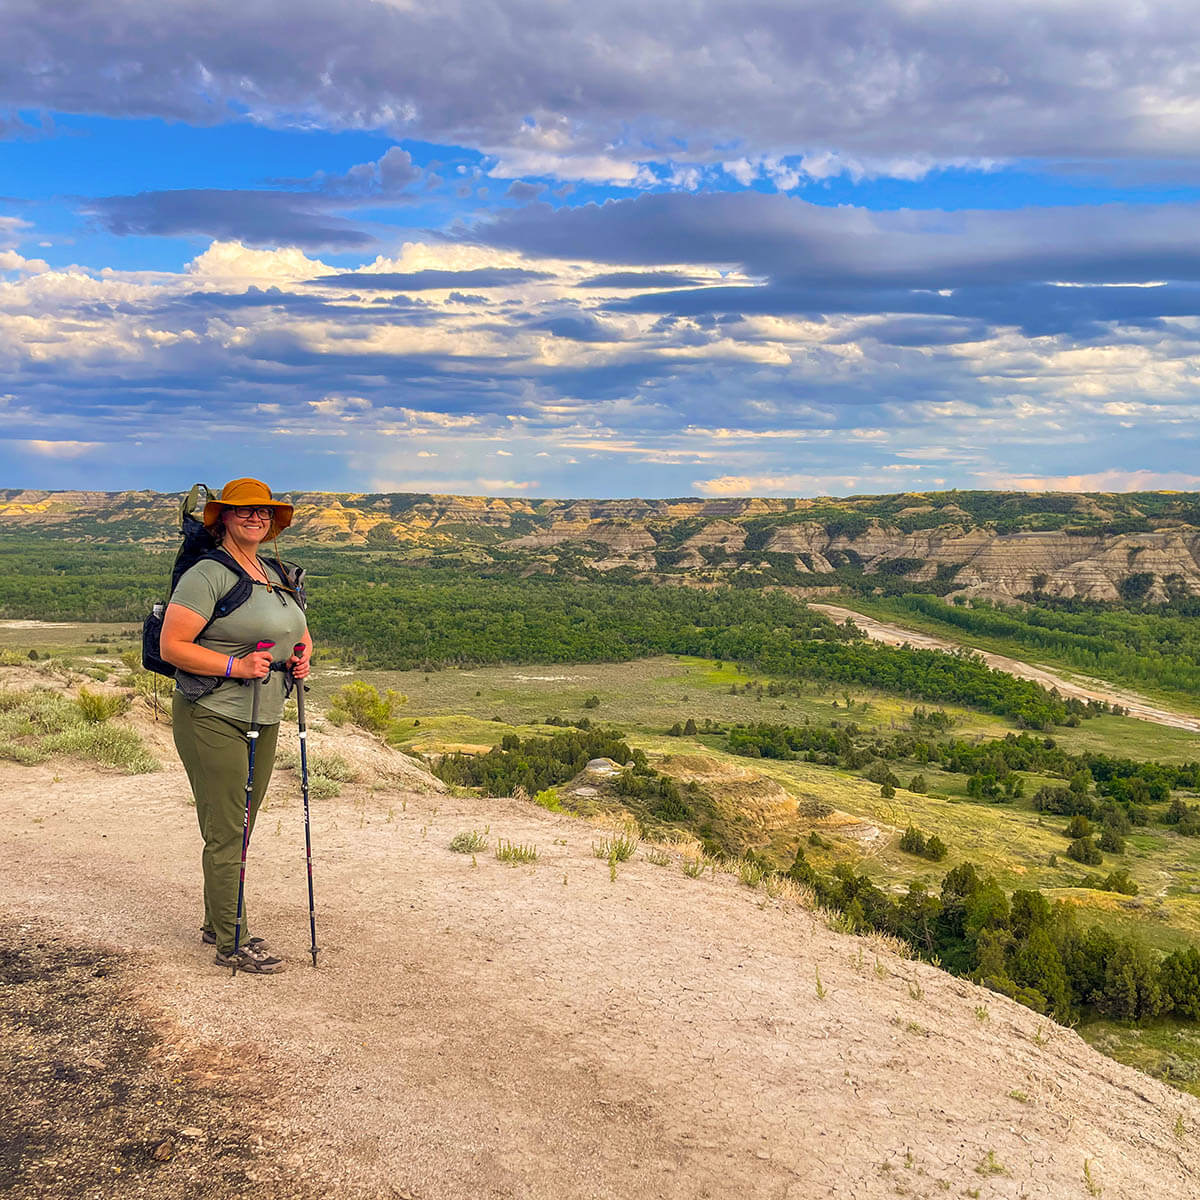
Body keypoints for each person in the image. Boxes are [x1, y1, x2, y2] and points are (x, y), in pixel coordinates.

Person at [160, 478, 312, 974]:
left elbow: (298, 633)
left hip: (264, 713)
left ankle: (216, 921)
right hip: (214, 714)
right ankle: (232, 938)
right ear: (223, 516)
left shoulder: (272, 571)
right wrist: (235, 668)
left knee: (238, 827)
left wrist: (303, 657)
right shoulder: (208, 574)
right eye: (244, 511)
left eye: (263, 513)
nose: (255, 518)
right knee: (229, 829)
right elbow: (172, 647)